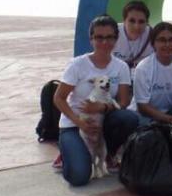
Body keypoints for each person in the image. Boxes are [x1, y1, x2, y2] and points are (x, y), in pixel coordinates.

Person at [52, 15, 139, 186]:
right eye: (99, 37)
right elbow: (59, 98)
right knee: (79, 177)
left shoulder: (120, 67)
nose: (104, 42)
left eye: (109, 37)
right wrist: (79, 122)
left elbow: (123, 102)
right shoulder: (77, 65)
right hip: (74, 125)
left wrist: (103, 107)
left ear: (116, 39)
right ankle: (69, 151)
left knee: (129, 118)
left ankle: (109, 153)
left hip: (104, 123)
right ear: (91, 39)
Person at [112, 0, 153, 74]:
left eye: (141, 22)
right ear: (124, 21)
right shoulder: (112, 33)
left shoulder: (153, 35)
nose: (136, 27)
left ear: (147, 22)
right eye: (132, 21)